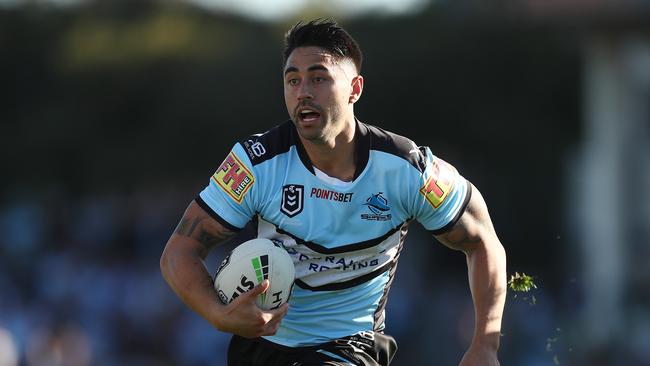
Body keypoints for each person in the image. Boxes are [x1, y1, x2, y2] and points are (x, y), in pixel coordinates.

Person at [160, 18, 507, 366]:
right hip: (262, 347)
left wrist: (485, 345)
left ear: (355, 88)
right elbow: (180, 251)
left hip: (352, 346)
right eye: (292, 80)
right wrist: (217, 314)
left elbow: (482, 241)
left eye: (318, 77)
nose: (303, 91)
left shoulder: (407, 170)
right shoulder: (256, 163)